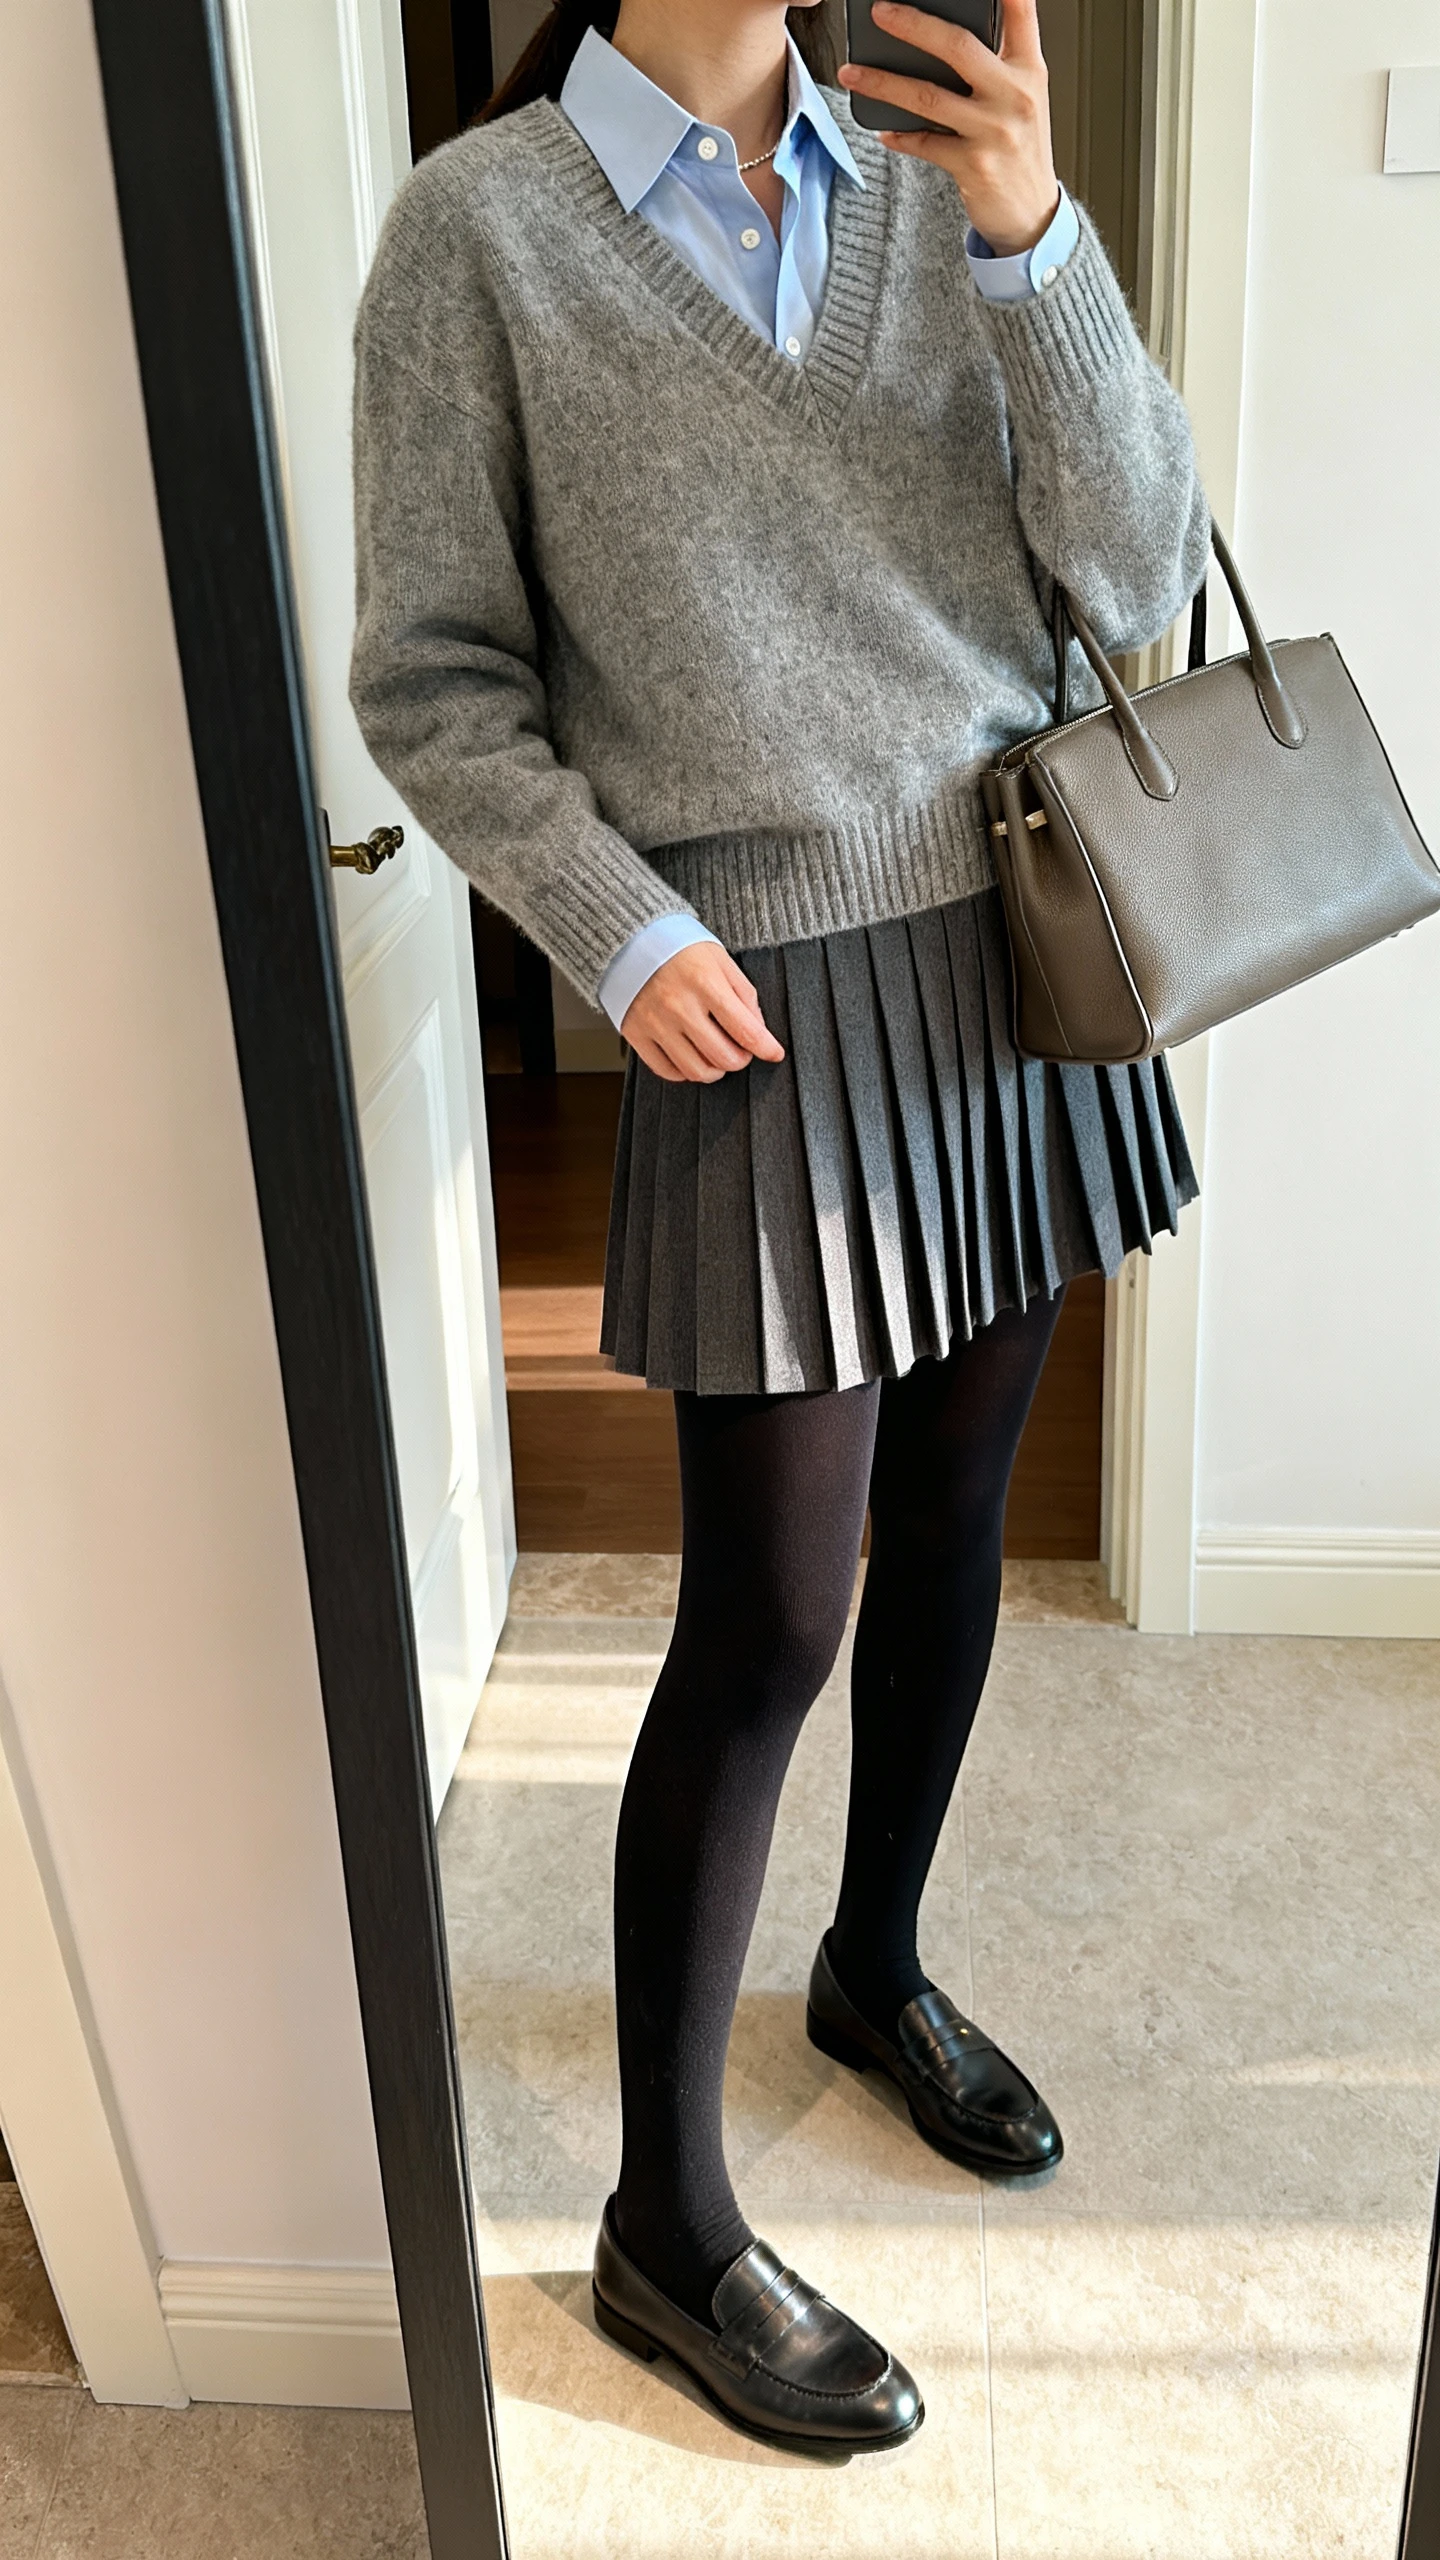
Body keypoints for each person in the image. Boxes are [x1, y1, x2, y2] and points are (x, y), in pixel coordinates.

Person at [350, 0, 1207, 2456]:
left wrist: (1039, 240)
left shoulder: (954, 179)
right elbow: (434, 678)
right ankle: (665, 2226)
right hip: (753, 1010)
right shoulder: (478, 236)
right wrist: (613, 929)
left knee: (951, 1538)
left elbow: (1135, 563)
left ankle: (875, 1962)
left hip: (1023, 953)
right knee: (770, 1615)